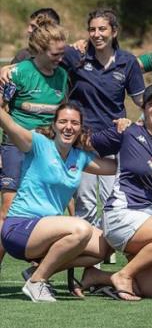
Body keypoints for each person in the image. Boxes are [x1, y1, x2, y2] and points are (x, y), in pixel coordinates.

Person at [0, 102, 116, 302]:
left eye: (74, 123)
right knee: (82, 229)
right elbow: (8, 124)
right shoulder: (37, 143)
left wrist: (130, 133)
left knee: (104, 245)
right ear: (53, 126)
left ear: (80, 128)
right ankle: (37, 283)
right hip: (20, 228)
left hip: (47, 234)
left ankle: (34, 274)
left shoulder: (80, 157)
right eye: (62, 121)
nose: (68, 127)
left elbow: (116, 167)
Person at [91, 84, 152, 300]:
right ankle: (124, 275)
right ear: (144, 111)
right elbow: (89, 142)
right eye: (151, 104)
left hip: (147, 222)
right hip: (121, 213)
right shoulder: (129, 132)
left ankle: (96, 276)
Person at [61, 9, 145, 232]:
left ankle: (108, 249)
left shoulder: (127, 62)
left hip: (115, 141)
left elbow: (141, 100)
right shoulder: (76, 56)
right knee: (85, 203)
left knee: (113, 201)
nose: (96, 34)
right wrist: (14, 67)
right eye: (92, 29)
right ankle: (86, 257)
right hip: (82, 141)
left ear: (114, 32)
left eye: (102, 29)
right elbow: (45, 54)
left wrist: (142, 120)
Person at [0, 16, 68, 266]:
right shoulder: (17, 74)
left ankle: (38, 272)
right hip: (16, 148)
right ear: (39, 49)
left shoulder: (62, 75)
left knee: (46, 213)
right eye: (55, 54)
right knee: (8, 212)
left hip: (46, 152)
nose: (61, 58)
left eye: (63, 53)